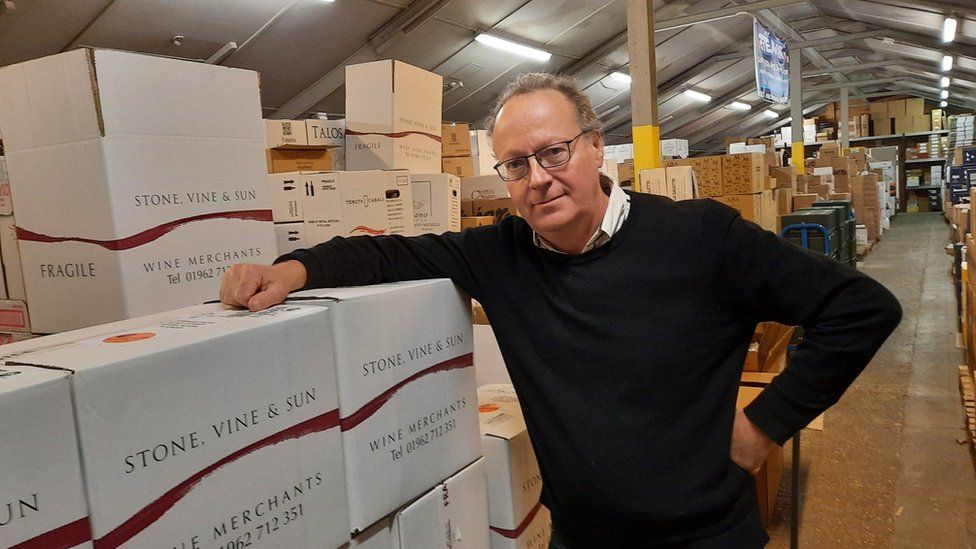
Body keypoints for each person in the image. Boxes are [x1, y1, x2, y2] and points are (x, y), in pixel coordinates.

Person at [221, 73, 901, 548]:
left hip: (704, 538)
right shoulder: (502, 255)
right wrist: (291, 268)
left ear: (596, 145)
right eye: (517, 164)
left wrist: (765, 422)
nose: (539, 176)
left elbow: (859, 306)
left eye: (553, 151)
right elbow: (388, 255)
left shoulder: (699, 238)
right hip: (579, 538)